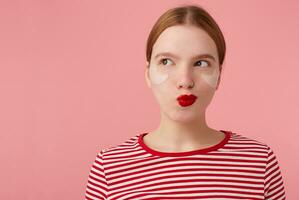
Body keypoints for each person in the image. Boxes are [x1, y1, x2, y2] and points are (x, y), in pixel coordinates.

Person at [84, 4, 286, 200]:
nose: (185, 81)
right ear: (147, 73)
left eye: (201, 63)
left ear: (219, 75)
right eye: (166, 61)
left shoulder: (260, 162)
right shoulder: (109, 167)